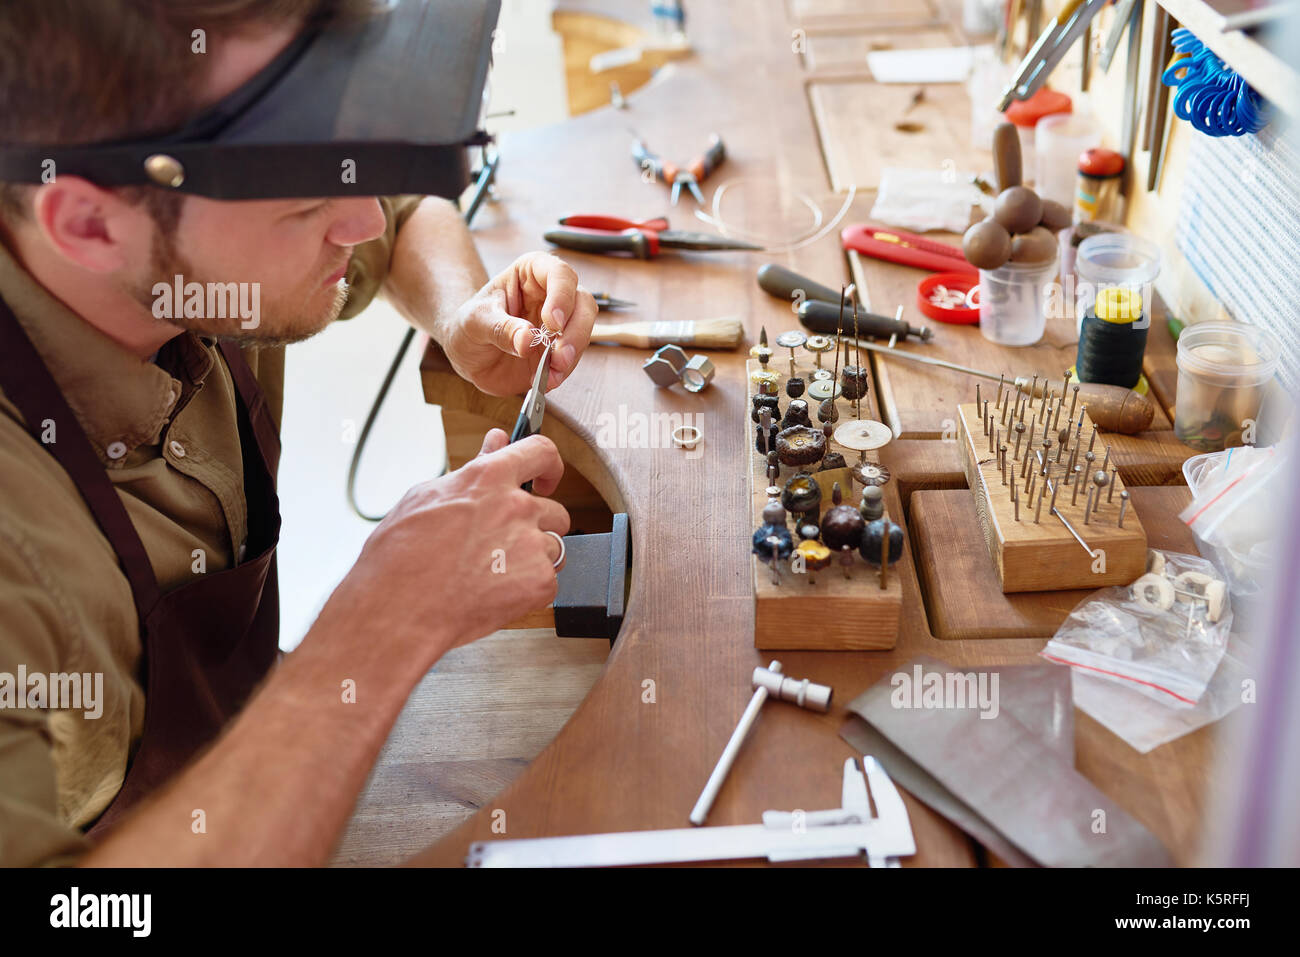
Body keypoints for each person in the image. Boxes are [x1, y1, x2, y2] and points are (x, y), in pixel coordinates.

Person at [0, 0, 596, 865]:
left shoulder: (175, 242)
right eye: (307, 198)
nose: (355, 223)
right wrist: (379, 624)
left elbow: (397, 218)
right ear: (90, 224)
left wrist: (462, 314)